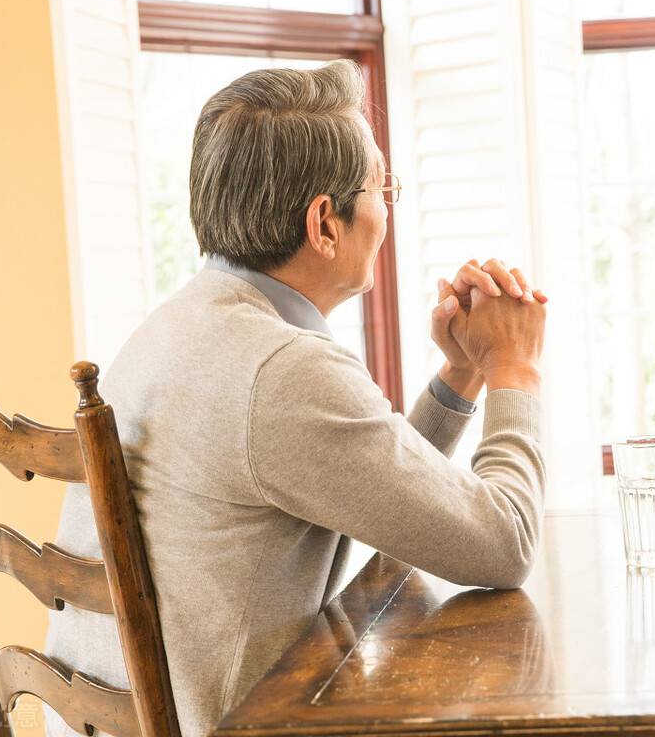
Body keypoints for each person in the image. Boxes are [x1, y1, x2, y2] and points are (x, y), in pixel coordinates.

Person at [43, 60, 548, 737]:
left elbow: (380, 493)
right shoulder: (280, 371)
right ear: (324, 224)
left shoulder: (180, 326)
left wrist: (461, 375)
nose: (386, 208)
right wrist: (516, 369)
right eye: (382, 188)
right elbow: (504, 544)